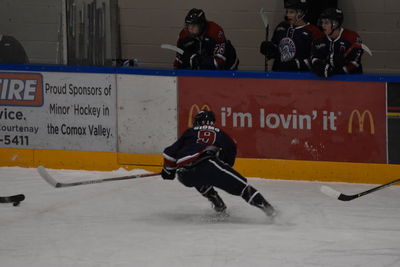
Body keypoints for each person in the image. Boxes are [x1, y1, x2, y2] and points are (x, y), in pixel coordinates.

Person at [161, 110, 276, 218]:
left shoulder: (189, 132)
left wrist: (168, 171)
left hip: (184, 175)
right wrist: (224, 166)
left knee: (199, 177)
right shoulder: (220, 133)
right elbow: (231, 150)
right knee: (244, 188)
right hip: (208, 166)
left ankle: (219, 206)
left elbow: (169, 154)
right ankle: (272, 213)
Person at [259, 0, 323, 72]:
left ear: (301, 13)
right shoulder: (281, 27)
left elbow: (318, 58)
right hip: (278, 74)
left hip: (301, 78)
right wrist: (270, 49)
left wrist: (297, 64)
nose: (287, 15)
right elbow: (277, 50)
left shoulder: (314, 32)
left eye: (291, 12)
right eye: (287, 12)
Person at [173, 8, 239, 70]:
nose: (190, 29)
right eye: (188, 25)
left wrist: (197, 61)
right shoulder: (183, 35)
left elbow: (219, 62)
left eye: (193, 25)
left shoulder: (215, 31)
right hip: (203, 66)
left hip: (227, 67)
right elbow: (178, 61)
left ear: (201, 25)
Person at [311, 8, 363, 78]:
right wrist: (319, 66)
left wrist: (335, 71)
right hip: (328, 82)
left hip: (352, 80)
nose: (323, 25)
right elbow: (315, 58)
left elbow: (355, 63)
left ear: (335, 24)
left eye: (326, 23)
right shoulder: (319, 39)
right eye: (322, 22)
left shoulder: (352, 37)